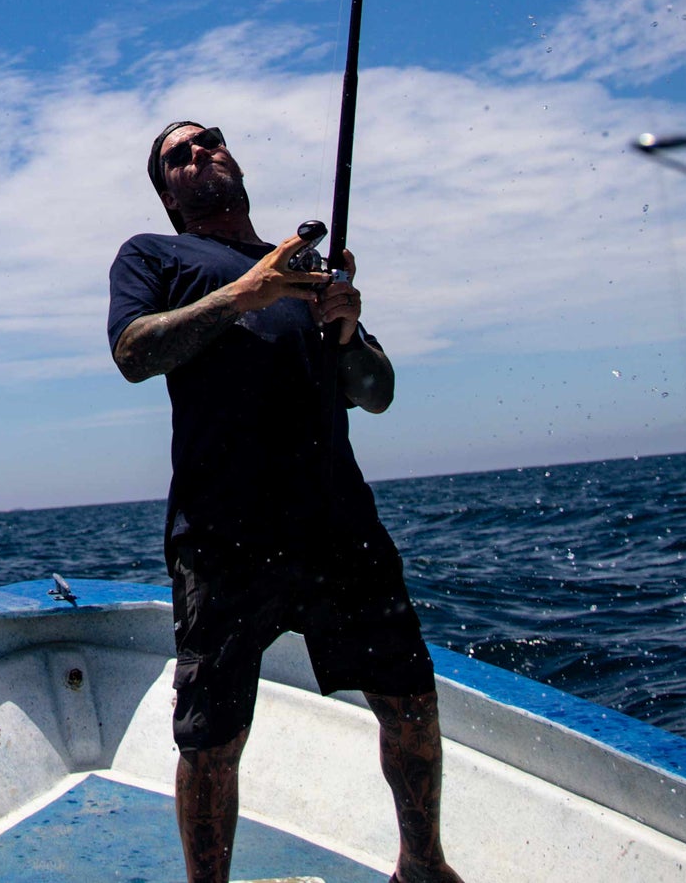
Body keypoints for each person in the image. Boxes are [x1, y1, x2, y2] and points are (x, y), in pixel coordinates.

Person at [107, 119, 465, 883]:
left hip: (339, 522)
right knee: (211, 738)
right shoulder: (154, 255)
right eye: (181, 153)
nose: (203, 152)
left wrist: (347, 330)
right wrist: (246, 292)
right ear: (168, 191)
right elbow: (134, 353)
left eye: (211, 140)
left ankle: (423, 867)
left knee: (408, 700)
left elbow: (376, 395)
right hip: (222, 533)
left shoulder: (308, 273)